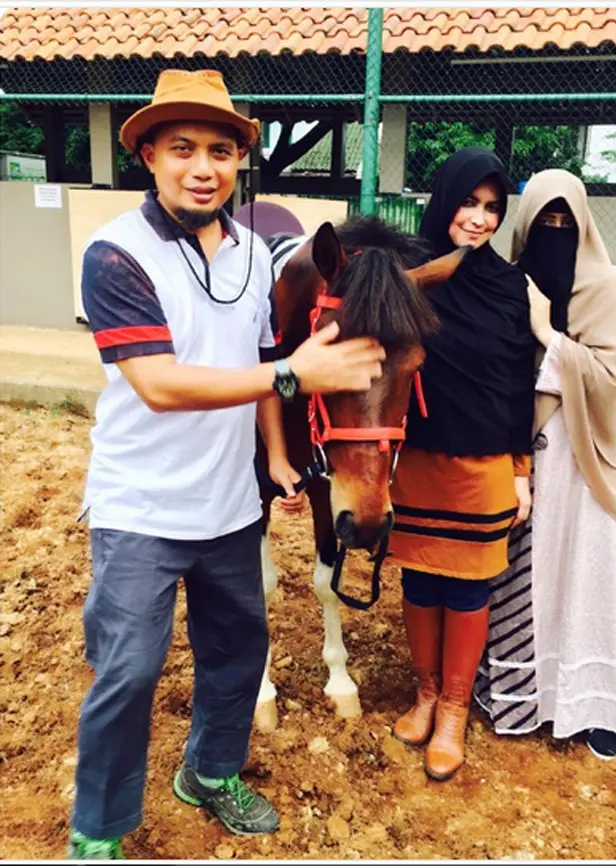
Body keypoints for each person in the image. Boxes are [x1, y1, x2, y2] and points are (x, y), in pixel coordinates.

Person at [68, 69, 386, 860]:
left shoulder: (250, 255)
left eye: (220, 148)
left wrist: (277, 456)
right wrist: (294, 376)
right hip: (139, 506)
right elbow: (160, 383)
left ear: (241, 159)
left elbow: (255, 362)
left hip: (229, 506)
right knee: (131, 670)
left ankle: (208, 774)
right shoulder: (115, 254)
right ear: (146, 154)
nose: (203, 166)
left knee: (238, 656)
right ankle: (99, 826)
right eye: (182, 148)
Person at [474, 169, 616, 760]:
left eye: (567, 223)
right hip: (522, 455)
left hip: (585, 455)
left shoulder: (602, 288)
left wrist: (549, 334)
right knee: (520, 577)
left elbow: (614, 375)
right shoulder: (506, 285)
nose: (557, 234)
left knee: (586, 576)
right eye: (546, 223)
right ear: (526, 226)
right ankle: (516, 692)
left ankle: (593, 705)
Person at [389, 147, 536, 780]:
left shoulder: (508, 287)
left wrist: (521, 471)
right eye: (468, 204)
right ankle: (424, 695)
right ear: (443, 200)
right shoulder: (402, 274)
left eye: (492, 209)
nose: (478, 219)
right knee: (420, 580)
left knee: (470, 587)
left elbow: (517, 383)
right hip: (417, 458)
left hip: (483, 464)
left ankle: (453, 711)